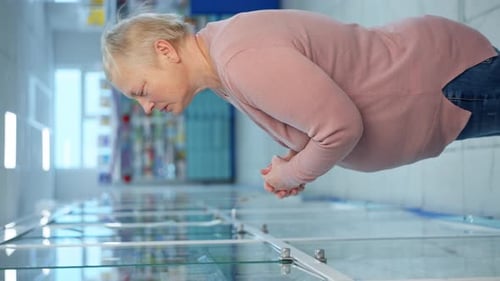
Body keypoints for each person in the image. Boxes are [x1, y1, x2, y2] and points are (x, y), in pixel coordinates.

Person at [101, 9, 499, 199]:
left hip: (442, 86)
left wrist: (290, 175)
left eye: (140, 90)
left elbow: (339, 128)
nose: (146, 107)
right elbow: (312, 112)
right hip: (435, 91)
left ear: (165, 50)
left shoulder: (239, 60)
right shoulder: (223, 65)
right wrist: (294, 163)